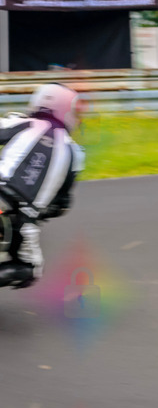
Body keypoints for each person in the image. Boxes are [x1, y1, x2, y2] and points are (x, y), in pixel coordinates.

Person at [0, 83, 84, 287]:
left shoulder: (23, 123)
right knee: (30, 268)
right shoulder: (74, 153)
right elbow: (62, 203)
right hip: (22, 217)